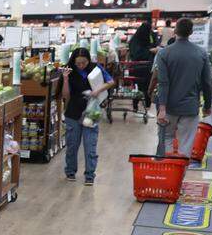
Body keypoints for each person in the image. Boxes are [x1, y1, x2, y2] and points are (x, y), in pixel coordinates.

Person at [155, 17, 212, 156]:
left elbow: (163, 83)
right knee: (185, 145)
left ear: (175, 31)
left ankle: (168, 172)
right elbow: (207, 82)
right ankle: (180, 175)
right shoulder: (201, 53)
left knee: (166, 138)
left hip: (169, 106)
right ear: (191, 32)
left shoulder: (163, 53)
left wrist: (162, 108)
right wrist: (207, 106)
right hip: (191, 107)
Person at [61, 47, 114, 185]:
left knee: (90, 146)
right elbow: (65, 96)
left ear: (88, 60)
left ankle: (90, 175)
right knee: (72, 145)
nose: (81, 65)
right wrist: (65, 79)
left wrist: (98, 90)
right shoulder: (69, 70)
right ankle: (70, 172)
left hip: (92, 113)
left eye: (83, 62)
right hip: (73, 113)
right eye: (78, 63)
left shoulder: (95, 68)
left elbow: (110, 82)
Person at [127, 20, 158, 110]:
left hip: (146, 67)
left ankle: (147, 106)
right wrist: (150, 50)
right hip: (138, 67)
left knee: (146, 86)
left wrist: (154, 48)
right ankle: (136, 105)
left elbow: (151, 44)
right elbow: (136, 54)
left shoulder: (148, 36)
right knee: (138, 87)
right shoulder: (135, 40)